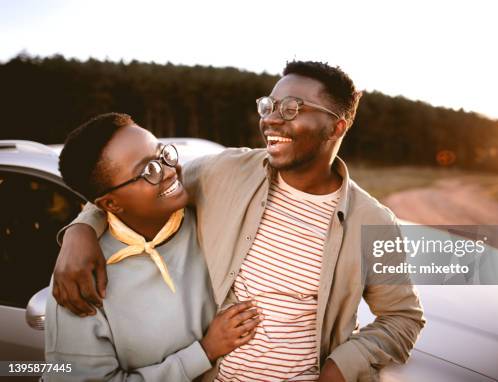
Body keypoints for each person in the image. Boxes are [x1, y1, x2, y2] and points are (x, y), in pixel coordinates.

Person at [53, 61, 426, 382]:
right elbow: (133, 191)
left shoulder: (373, 222)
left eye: (292, 108)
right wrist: (81, 229)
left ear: (337, 126)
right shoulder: (224, 173)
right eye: (269, 105)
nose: (271, 118)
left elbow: (402, 317)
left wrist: (339, 369)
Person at [45, 113, 261, 381]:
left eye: (164, 154)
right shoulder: (80, 280)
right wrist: (203, 352)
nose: (170, 170)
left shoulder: (209, 215)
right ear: (110, 205)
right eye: (148, 171)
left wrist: (80, 227)